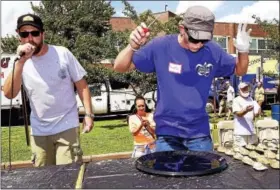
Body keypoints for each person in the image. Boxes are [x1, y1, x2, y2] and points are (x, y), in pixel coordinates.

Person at [114, 5, 251, 152]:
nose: (198, 44)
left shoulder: (213, 51)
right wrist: (132, 46)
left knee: (204, 174)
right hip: (167, 133)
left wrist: (243, 51)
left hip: (199, 133)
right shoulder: (161, 46)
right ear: (182, 29)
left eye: (203, 40)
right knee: (166, 174)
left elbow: (239, 70)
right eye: (193, 38)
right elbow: (120, 66)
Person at [3, 14, 94, 167]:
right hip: (39, 131)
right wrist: (21, 62)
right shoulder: (18, 61)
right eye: (24, 34)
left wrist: (89, 114)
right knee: (44, 180)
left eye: (35, 33)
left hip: (67, 125)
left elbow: (81, 85)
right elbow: (9, 93)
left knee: (67, 177)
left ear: (43, 34)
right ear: (19, 37)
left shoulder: (62, 53)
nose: (30, 38)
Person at [232, 82, 260, 147]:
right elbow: (238, 114)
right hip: (240, 133)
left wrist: (258, 112)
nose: (245, 90)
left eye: (246, 88)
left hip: (251, 131)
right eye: (243, 89)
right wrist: (246, 110)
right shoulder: (236, 100)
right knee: (240, 153)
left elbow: (255, 114)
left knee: (252, 152)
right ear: (239, 90)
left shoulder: (251, 99)